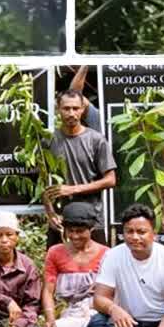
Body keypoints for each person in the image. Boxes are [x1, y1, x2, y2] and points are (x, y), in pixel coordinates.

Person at [41, 202, 111, 327]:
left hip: (99, 312)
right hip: (71, 313)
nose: (74, 236)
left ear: (91, 228)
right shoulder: (55, 252)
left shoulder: (107, 254)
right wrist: (50, 319)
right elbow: (48, 291)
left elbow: (114, 293)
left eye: (80, 231)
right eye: (70, 231)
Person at [42, 88, 116, 247]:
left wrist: (72, 189)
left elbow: (110, 180)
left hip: (92, 220)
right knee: (58, 267)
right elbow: (42, 181)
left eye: (75, 108)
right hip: (61, 220)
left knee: (99, 268)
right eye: (66, 108)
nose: (71, 113)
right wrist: (50, 213)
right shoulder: (48, 140)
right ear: (58, 109)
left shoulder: (96, 140)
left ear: (82, 109)